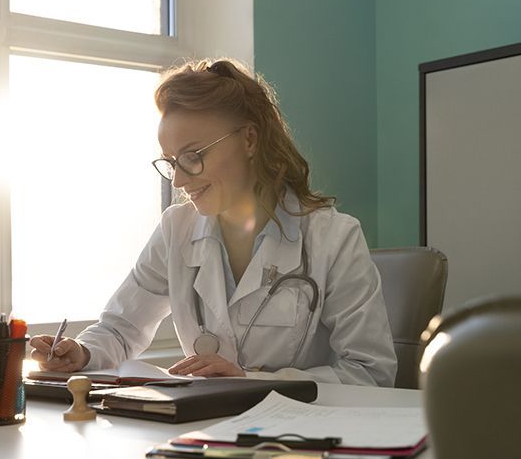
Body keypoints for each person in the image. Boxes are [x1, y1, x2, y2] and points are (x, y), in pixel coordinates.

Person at [29, 59, 397, 386]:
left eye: (193, 156)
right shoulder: (177, 229)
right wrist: (81, 352)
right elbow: (120, 329)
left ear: (250, 139)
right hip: (207, 433)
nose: (178, 180)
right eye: (172, 161)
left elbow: (371, 372)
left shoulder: (333, 237)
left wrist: (249, 381)